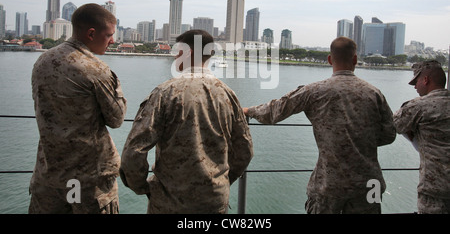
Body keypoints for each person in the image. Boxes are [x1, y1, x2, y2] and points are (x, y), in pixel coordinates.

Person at [243, 37, 396, 214]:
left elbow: (275, 111)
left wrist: (248, 110)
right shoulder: (374, 93)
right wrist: (360, 138)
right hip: (370, 184)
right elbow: (389, 135)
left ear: (330, 60)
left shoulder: (314, 91)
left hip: (329, 184)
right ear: (355, 59)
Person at [120, 30, 253, 213]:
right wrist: (223, 182)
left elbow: (133, 151)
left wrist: (142, 187)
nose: (175, 55)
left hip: (169, 202)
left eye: (177, 50)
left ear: (187, 52)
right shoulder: (228, 95)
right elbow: (245, 150)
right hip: (214, 201)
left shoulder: (165, 93)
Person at [29, 3, 127, 214]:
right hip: (89, 181)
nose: (113, 40)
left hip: (49, 176)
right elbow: (117, 119)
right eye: (109, 35)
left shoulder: (42, 61)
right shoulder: (95, 69)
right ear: (91, 33)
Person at [393, 60, 450, 213]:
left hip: (435, 189)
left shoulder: (418, 107)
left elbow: (391, 126)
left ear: (425, 80)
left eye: (416, 81)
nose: (414, 86)